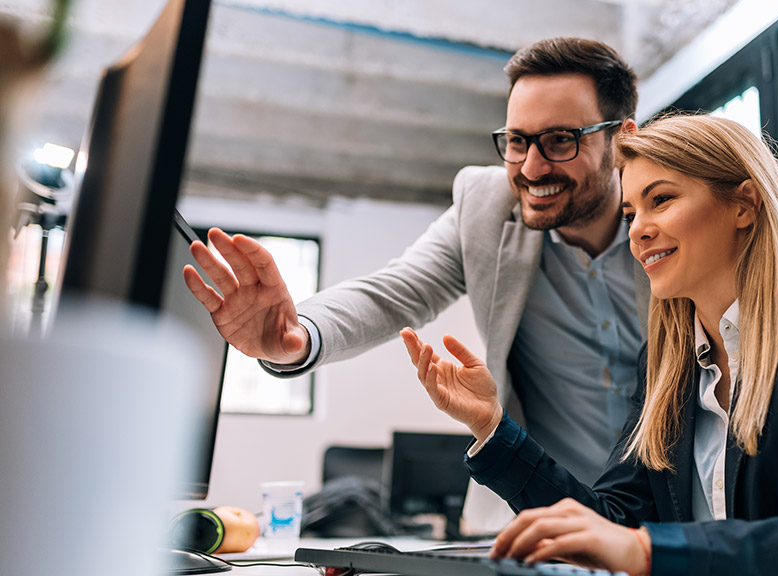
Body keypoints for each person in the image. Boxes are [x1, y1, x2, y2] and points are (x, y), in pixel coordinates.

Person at [399, 113, 778, 575]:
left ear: (744, 205)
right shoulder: (667, 361)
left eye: (662, 201)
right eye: (631, 213)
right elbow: (612, 522)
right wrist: (492, 427)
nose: (638, 231)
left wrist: (646, 551)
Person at [182, 37, 650, 525]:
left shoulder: (673, 218)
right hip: (541, 516)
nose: (531, 167)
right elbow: (394, 293)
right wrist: (298, 335)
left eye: (560, 141)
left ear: (621, 139)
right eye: (516, 141)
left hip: (674, 515)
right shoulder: (487, 207)